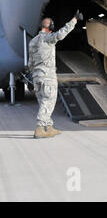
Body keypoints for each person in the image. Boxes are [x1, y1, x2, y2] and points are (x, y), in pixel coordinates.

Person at [28, 11, 83, 139]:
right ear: (50, 27)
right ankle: (40, 128)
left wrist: (33, 74)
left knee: (44, 103)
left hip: (36, 77)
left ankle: (49, 127)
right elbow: (62, 33)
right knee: (48, 101)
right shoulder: (48, 38)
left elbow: (30, 62)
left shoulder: (33, 41)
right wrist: (74, 19)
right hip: (47, 76)